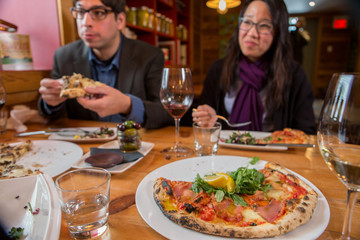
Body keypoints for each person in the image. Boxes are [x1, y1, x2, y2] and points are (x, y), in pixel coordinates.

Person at [38, 0, 173, 129]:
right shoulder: (64, 56)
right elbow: (51, 114)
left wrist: (127, 105)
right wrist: (51, 102)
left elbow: (166, 112)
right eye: (80, 12)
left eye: (98, 13)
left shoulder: (149, 55)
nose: (85, 22)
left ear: (120, 20)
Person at [192, 0, 316, 134]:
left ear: (278, 32)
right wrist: (206, 118)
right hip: (226, 153)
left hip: (274, 153)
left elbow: (306, 131)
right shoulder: (218, 69)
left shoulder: (295, 75)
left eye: (263, 25)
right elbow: (203, 121)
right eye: (246, 22)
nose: (252, 33)